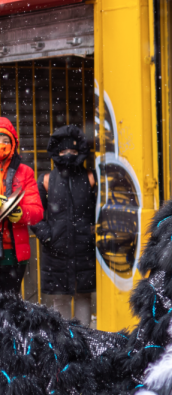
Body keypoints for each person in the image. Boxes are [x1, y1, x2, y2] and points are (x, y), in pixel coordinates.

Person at [31, 125, 96, 324]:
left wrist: (92, 232)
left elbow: (101, 210)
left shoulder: (91, 178)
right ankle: (65, 344)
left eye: (73, 151)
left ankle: (85, 344)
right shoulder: (46, 180)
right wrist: (48, 236)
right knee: (60, 299)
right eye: (64, 151)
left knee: (83, 297)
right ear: (56, 152)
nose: (69, 155)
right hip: (56, 252)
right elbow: (34, 214)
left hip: (84, 250)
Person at [0, 117, 43, 294]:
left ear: (13, 143)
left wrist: (20, 212)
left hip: (13, 253)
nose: (1, 145)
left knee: (10, 308)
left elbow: (37, 211)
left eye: (5, 140)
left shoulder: (25, 172)